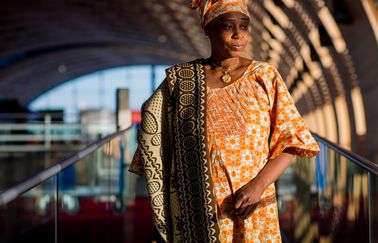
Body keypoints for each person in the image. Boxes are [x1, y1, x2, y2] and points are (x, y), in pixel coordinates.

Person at [129, 0, 320, 242]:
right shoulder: (181, 80)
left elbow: (292, 142)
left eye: (245, 26)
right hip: (198, 211)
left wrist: (257, 187)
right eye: (228, 26)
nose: (238, 34)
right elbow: (153, 130)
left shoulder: (265, 76)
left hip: (253, 206)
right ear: (207, 28)